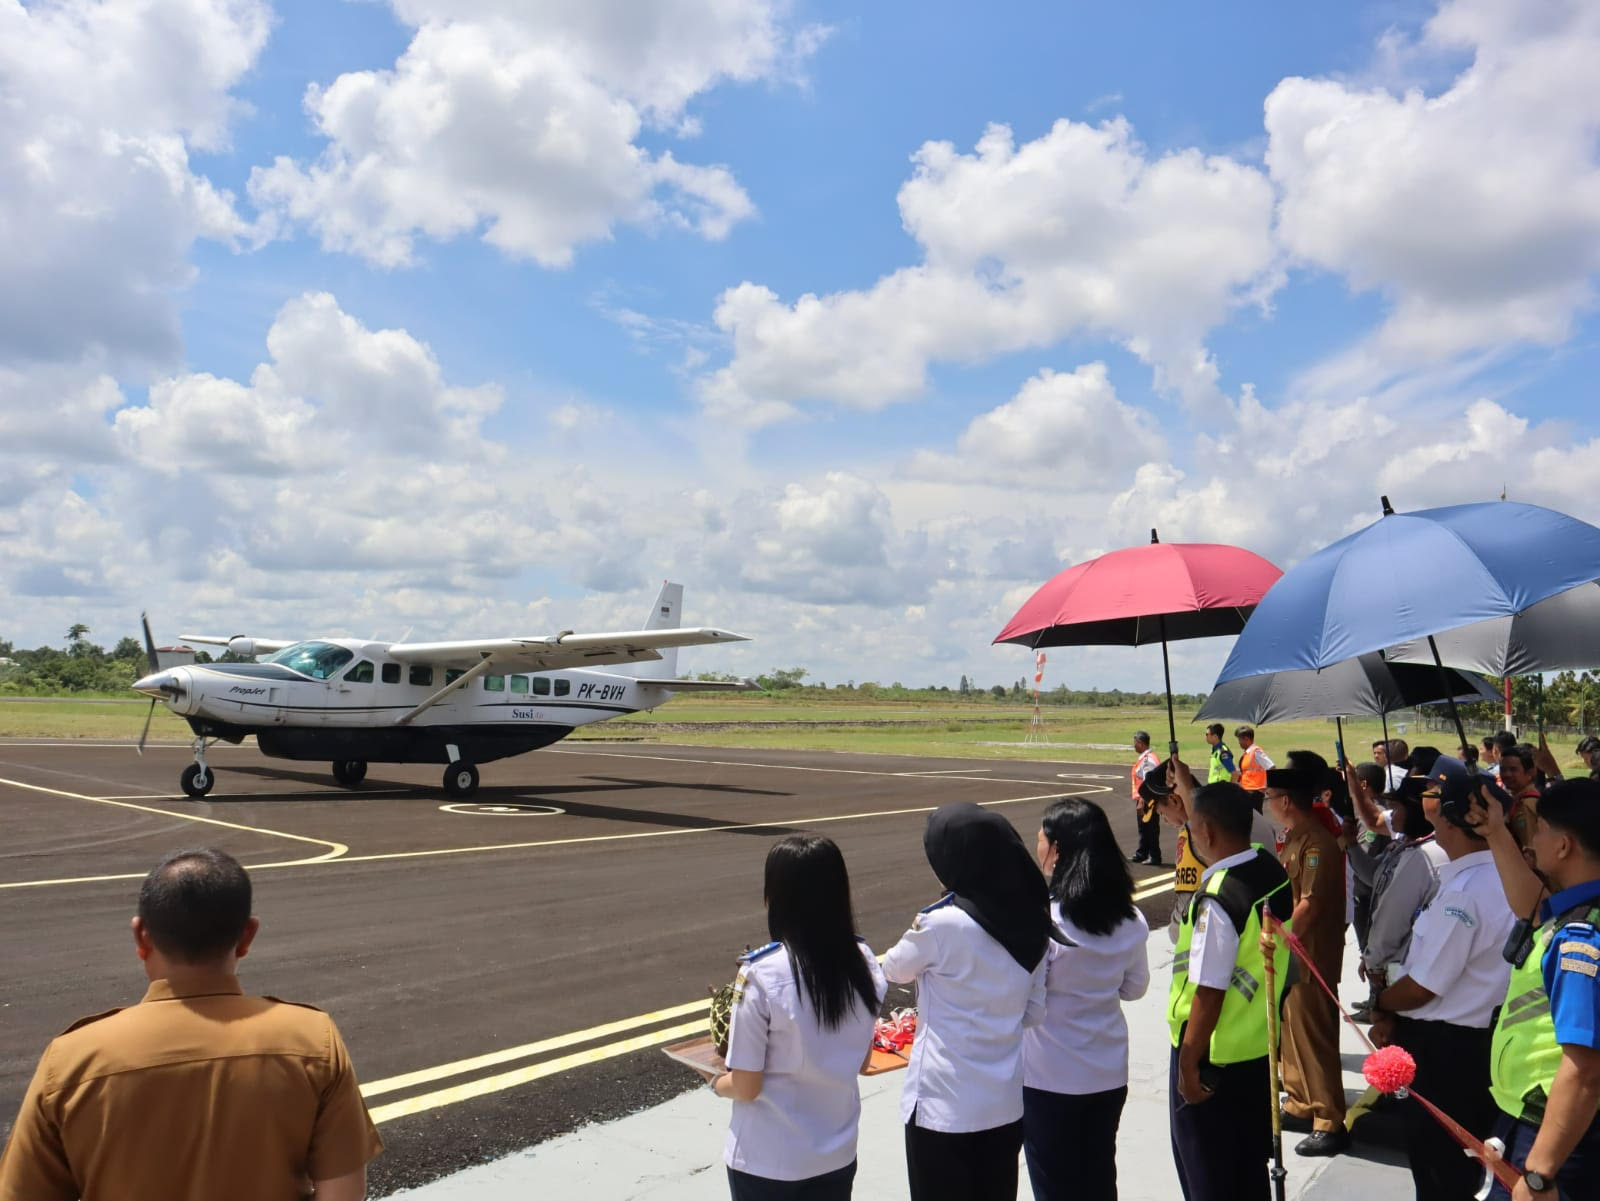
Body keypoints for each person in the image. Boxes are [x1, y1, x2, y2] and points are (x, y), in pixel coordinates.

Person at [0, 848, 382, 1201]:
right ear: (247, 935)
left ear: (141, 935)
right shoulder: (312, 1042)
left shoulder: (70, 1061)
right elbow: (343, 1194)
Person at [884, 803, 1049, 1201]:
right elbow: (1034, 1013)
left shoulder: (941, 924)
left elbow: (893, 968)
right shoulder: (1033, 921)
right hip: (1003, 1106)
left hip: (943, 1110)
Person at [1370, 758, 1515, 1200]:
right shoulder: (1508, 879)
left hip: (1446, 1052)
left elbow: (1422, 988)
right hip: (1481, 1047)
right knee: (1467, 1170)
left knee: (1439, 1172)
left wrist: (1383, 1002)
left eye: (1435, 801)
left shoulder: (1464, 893)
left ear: (1450, 821)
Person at [714, 834, 887, 1200]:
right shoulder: (864, 963)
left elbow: (746, 1087)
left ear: (775, 897)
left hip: (768, 1162)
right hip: (836, 1156)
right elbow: (863, 1061)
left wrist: (714, 1080)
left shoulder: (761, 974)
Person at [1472, 778, 1600, 1200]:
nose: (1533, 837)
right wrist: (1495, 832)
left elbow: (1586, 1068)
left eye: (1539, 827)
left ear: (1564, 846)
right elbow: (1531, 906)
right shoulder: (1578, 911)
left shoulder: (1581, 937)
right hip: (1546, 1123)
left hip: (1554, 1133)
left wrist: (1540, 1173)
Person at [1167, 782, 1293, 1201]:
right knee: (1246, 1169)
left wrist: (1187, 1063)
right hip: (1256, 1046)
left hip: (1212, 1059)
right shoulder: (1269, 870)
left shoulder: (1219, 897)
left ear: (1206, 832)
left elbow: (1209, 989)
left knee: (1208, 1176)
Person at [1024, 798, 1150, 1201]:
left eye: (1042, 838)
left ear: (1057, 849)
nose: (1037, 844)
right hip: (1107, 1072)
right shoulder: (1130, 919)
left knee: (1054, 1183)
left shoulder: (1045, 920)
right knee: (1098, 1176)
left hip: (1048, 1078)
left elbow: (1028, 1004)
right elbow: (1135, 988)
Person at [1264, 765, 1350, 1156]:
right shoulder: (1294, 838)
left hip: (1310, 954)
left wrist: (1278, 939)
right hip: (1294, 955)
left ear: (1285, 801)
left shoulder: (1317, 844)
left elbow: (1310, 905)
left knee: (1313, 1037)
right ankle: (1300, 1101)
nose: (1267, 805)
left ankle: (1329, 1119)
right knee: (1292, 1031)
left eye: (1269, 798)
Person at [1131, 731, 1164, 866]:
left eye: (1135, 744)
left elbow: (1148, 781)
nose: (1134, 746)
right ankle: (1142, 853)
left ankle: (1154, 856)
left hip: (1147, 800)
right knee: (1144, 828)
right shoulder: (1148, 757)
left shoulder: (1147, 760)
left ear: (1141, 743)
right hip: (1146, 799)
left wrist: (1142, 801)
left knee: (1150, 828)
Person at [1501, 743, 1543, 847]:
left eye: (1513, 769)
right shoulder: (1518, 799)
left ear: (1530, 773)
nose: (1507, 774)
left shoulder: (1526, 805)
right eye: (1503, 769)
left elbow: (1531, 850)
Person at [1233, 727, 1273, 796]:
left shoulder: (1256, 752)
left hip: (1254, 793)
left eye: (1240, 739)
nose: (1239, 742)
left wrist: (1267, 787)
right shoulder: (1248, 752)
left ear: (1246, 739)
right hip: (1246, 791)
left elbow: (1271, 767)